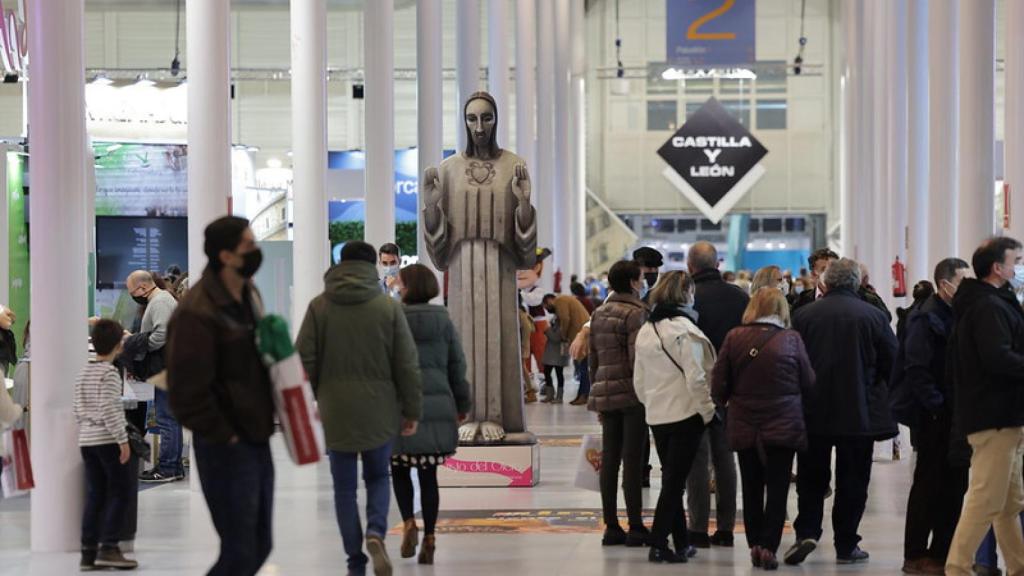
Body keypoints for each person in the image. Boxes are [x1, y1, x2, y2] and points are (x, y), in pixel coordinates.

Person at [296, 240, 422, 576]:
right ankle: (376, 531)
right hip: (380, 408)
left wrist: (314, 398)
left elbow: (303, 361)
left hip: (335, 409)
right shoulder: (387, 308)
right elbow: (406, 364)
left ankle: (355, 560)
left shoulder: (318, 307)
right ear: (373, 265)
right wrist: (411, 410)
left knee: (343, 488)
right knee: (379, 477)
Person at [166, 216, 276, 576]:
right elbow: (185, 391)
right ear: (226, 255)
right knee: (241, 549)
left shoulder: (248, 295)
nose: (256, 250)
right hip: (226, 446)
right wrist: (225, 434)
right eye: (249, 245)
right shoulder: (196, 311)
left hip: (256, 437)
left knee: (259, 544)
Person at [785, 258, 898, 566]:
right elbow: (893, 362)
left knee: (811, 478)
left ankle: (806, 532)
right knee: (853, 480)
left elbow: (789, 361)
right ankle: (847, 544)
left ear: (826, 283)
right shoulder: (874, 316)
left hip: (812, 412)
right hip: (858, 413)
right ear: (856, 283)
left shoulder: (803, 316)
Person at [712, 288, 815, 571]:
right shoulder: (791, 339)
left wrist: (727, 401)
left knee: (751, 485)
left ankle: (755, 544)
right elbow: (808, 380)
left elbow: (718, 382)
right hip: (783, 422)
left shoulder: (734, 337)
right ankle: (770, 545)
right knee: (778, 487)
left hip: (744, 421)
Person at [945, 237, 1024, 576]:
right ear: (998, 267)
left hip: (1004, 415)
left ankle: (1019, 566)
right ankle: (957, 567)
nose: (1019, 267)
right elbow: (998, 358)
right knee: (985, 500)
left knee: (1008, 503)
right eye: (1016, 260)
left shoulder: (993, 302)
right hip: (994, 416)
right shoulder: (988, 307)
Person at [889, 259, 969, 575]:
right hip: (934, 416)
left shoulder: (957, 315)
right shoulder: (925, 318)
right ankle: (916, 554)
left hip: (955, 414)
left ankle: (942, 552)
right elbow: (917, 368)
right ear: (944, 284)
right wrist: (936, 407)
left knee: (955, 485)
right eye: (961, 282)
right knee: (928, 484)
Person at [390, 264, 470, 567]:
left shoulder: (393, 318)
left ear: (408, 288)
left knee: (398, 468)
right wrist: (462, 404)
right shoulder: (444, 321)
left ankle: (409, 522)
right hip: (437, 404)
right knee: (428, 475)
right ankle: (431, 537)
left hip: (399, 406)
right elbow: (457, 366)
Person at [633, 271, 715, 564]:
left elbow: (638, 382)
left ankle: (681, 543)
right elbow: (697, 379)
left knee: (671, 479)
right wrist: (708, 412)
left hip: (657, 415)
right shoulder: (685, 330)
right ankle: (658, 543)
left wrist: (652, 405)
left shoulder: (647, 330)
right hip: (685, 415)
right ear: (685, 294)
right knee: (673, 483)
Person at [685, 241, 746, 548]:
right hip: (729, 391)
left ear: (689, 266)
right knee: (725, 460)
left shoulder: (686, 297)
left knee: (696, 460)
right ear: (718, 264)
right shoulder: (739, 296)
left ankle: (696, 528)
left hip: (691, 389)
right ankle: (725, 529)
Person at [588, 260, 649, 547]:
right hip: (632, 395)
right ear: (633, 282)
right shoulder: (636, 314)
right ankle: (636, 526)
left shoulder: (599, 313)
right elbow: (638, 359)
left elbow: (593, 358)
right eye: (641, 278)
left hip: (606, 393)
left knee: (610, 461)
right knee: (633, 462)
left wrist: (597, 397)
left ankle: (611, 525)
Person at [75, 319, 137, 571]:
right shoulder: (110, 374)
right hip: (107, 440)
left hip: (86, 440)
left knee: (95, 494)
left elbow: (77, 409)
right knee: (121, 492)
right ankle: (110, 547)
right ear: (118, 345)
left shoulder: (83, 372)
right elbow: (110, 409)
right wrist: (122, 440)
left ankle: (88, 552)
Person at [125, 270, 182, 483]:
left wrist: (139, 343)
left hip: (166, 366)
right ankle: (172, 465)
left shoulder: (159, 302)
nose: (133, 295)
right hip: (168, 366)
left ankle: (168, 467)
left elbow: (161, 334)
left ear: (142, 288)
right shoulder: (161, 300)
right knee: (169, 418)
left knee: (167, 419)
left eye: (132, 291)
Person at [542, 293, 591, 404]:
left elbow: (565, 318)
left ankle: (584, 395)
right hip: (581, 333)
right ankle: (581, 394)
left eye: (546, 306)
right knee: (582, 366)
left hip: (581, 334)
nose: (547, 309)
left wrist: (563, 335)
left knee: (583, 366)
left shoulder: (560, 301)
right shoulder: (566, 299)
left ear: (549, 300)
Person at [790, 248, 840, 313]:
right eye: (824, 269)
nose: (830, 273)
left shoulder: (848, 300)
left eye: (833, 268)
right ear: (813, 274)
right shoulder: (802, 301)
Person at [518, 299, 538, 404]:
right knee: (522, 368)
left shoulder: (519, 314)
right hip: (524, 345)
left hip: (521, 345)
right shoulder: (524, 314)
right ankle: (529, 392)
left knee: (522, 368)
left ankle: (530, 392)